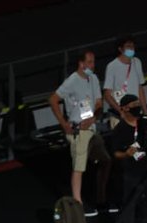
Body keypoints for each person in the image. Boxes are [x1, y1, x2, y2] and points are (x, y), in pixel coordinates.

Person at [49, 49, 111, 213]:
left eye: (93, 61)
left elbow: (99, 103)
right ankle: (78, 205)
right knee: (79, 167)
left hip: (91, 129)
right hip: (79, 131)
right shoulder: (72, 81)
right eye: (89, 62)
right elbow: (53, 100)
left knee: (105, 160)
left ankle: (101, 198)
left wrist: (92, 118)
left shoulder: (93, 79)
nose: (93, 65)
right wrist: (64, 124)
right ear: (81, 63)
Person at [107, 94, 147, 223]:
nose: (137, 107)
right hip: (132, 172)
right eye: (134, 105)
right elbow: (115, 153)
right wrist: (126, 154)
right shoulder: (120, 129)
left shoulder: (145, 123)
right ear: (125, 108)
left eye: (138, 103)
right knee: (130, 201)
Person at [103, 36, 147, 119]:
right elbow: (107, 94)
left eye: (132, 46)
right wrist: (120, 111)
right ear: (120, 49)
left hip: (136, 110)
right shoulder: (112, 66)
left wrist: (146, 112)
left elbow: (140, 88)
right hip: (121, 112)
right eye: (128, 46)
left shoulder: (137, 62)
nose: (131, 48)